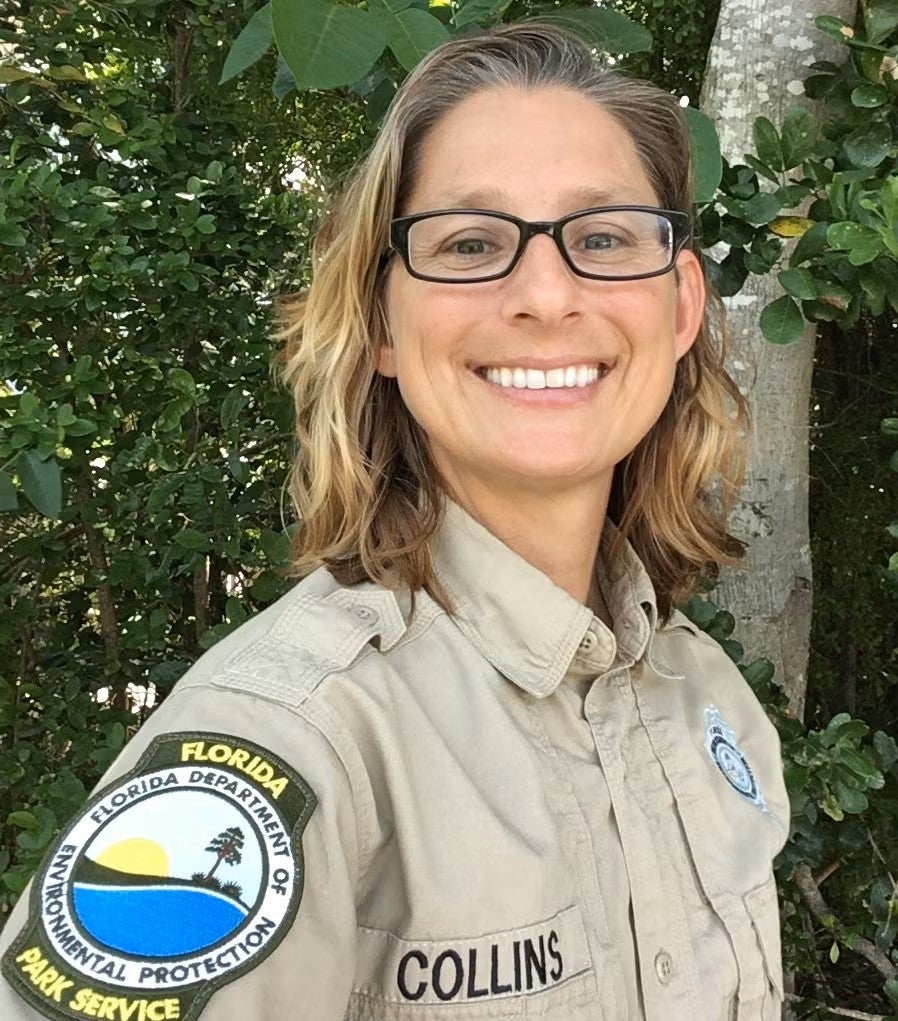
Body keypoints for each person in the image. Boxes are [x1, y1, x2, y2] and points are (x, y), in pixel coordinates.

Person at [0, 21, 790, 1021]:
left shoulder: (705, 696)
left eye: (601, 238)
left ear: (678, 307)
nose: (545, 295)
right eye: (468, 243)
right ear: (380, 320)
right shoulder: (288, 740)